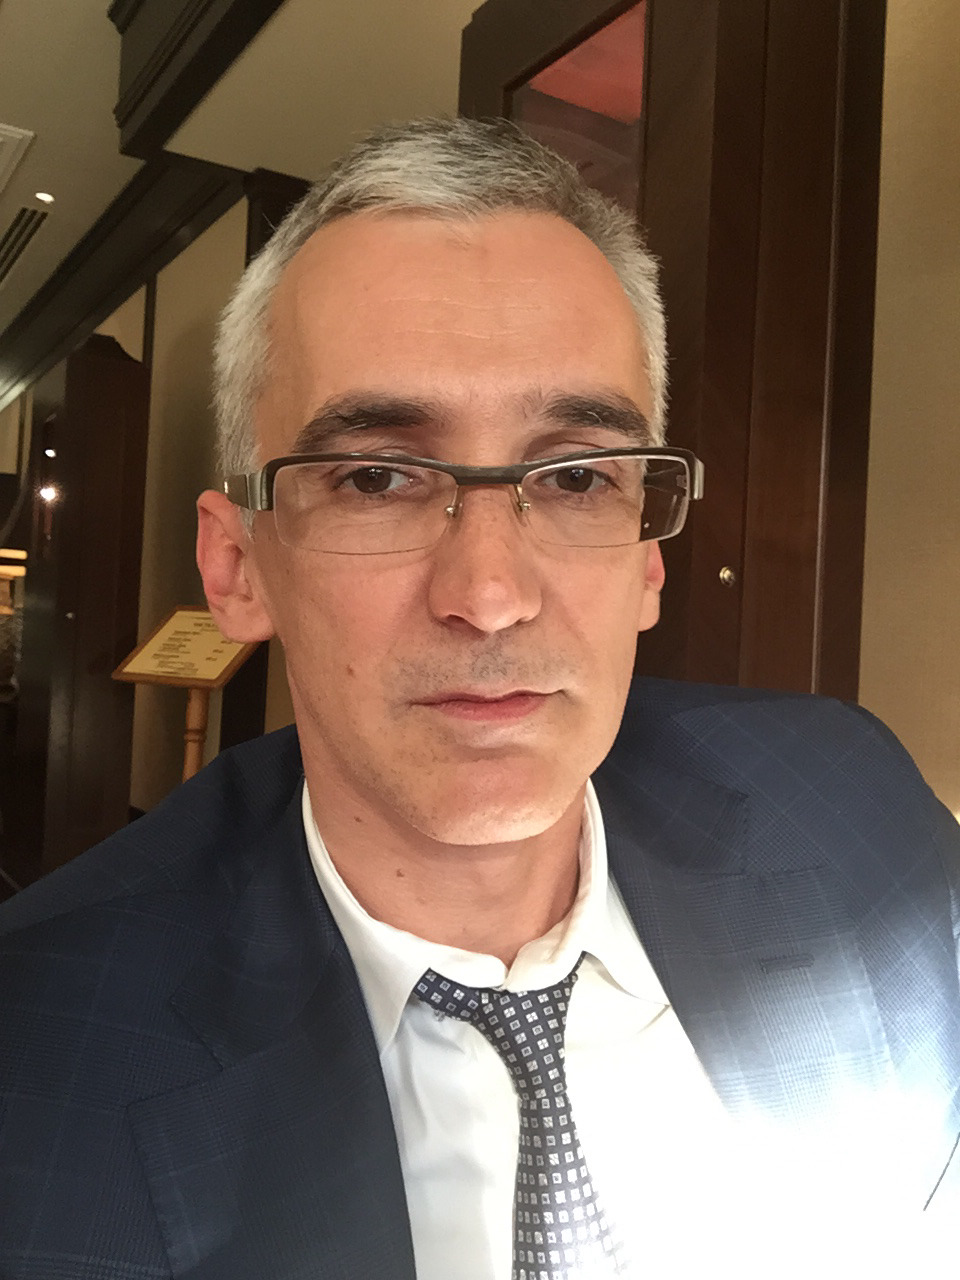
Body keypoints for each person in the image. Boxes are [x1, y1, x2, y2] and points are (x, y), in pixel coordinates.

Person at [1, 117, 958, 1279]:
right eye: (376, 476)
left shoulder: (852, 811)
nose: (492, 596)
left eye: (576, 475)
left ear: (649, 558)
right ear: (237, 564)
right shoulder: (38, 1068)